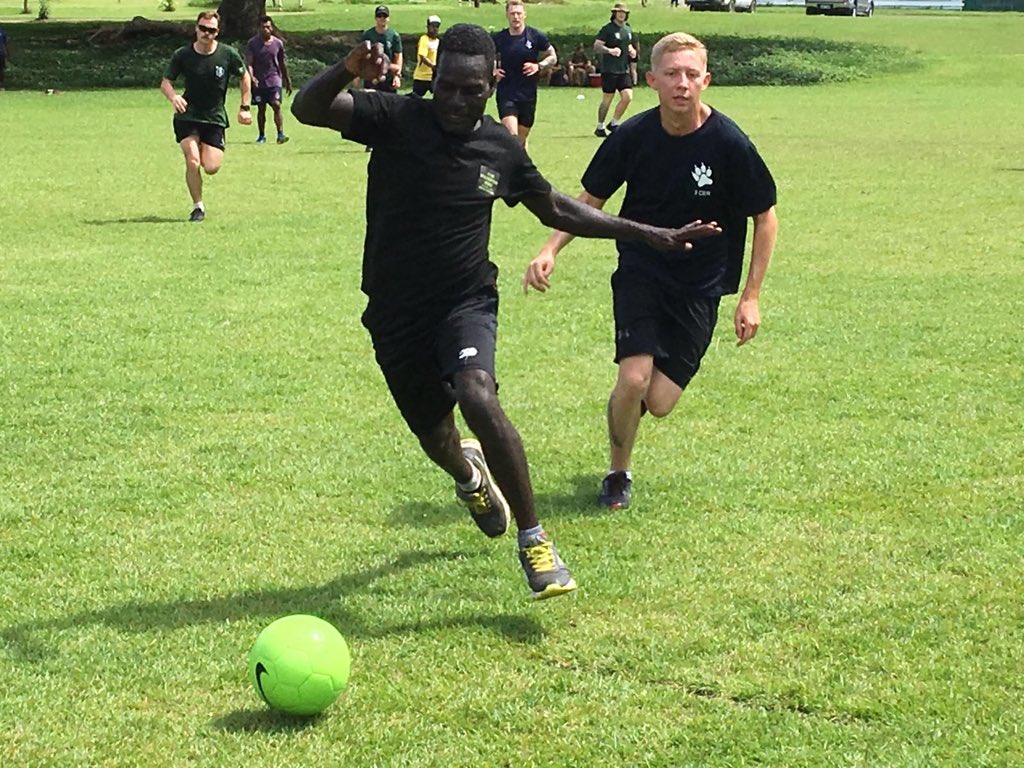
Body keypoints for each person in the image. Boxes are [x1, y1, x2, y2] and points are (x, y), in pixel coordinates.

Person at [290, 25, 719, 599]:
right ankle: (469, 476)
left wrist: (647, 233)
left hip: (464, 301)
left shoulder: (500, 148)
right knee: (438, 437)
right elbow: (307, 109)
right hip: (394, 312)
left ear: (491, 86)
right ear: (434, 78)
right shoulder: (395, 118)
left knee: (477, 393)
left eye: (470, 90)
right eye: (446, 86)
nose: (455, 100)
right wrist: (347, 69)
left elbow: (556, 208)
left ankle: (535, 541)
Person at [524, 32, 778, 511]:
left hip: (701, 284)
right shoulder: (633, 136)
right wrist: (550, 248)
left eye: (691, 74)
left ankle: (625, 407)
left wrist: (750, 297)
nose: (682, 84)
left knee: (658, 402)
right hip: (641, 271)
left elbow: (765, 217)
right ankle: (618, 472)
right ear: (652, 79)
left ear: (706, 80)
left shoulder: (729, 143)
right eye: (672, 74)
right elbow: (590, 200)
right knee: (634, 378)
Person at [160, 12, 252, 223]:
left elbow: (244, 76)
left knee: (211, 167)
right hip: (187, 116)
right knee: (192, 160)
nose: (206, 33)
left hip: (214, 117)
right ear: (196, 28)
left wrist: (245, 106)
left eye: (211, 30)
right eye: (203, 28)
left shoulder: (227, 54)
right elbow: (166, 82)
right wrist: (174, 97)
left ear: (217, 32)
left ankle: (203, 145)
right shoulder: (183, 54)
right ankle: (197, 207)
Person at [492, 1, 556, 149]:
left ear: (524, 15)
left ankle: (520, 161)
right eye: (512, 14)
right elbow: (487, 56)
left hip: (527, 94)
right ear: (507, 15)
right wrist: (493, 70)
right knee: (511, 137)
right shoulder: (499, 38)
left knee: (521, 141)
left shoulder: (535, 36)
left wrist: (538, 66)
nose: (516, 17)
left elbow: (552, 56)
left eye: (518, 13)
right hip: (506, 92)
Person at [246, 15, 293, 144]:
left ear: (272, 28)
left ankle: (280, 134)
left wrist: (287, 80)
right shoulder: (252, 44)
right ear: (259, 28)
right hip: (259, 80)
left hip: (274, 79)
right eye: (263, 27)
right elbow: (249, 63)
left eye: (268, 27)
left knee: (276, 105)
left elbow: (282, 63)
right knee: (261, 108)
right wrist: (252, 77)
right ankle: (262, 135)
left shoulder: (278, 43)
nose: (266, 29)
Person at [593, 3, 636, 138]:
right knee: (607, 99)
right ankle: (600, 126)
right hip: (609, 70)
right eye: (619, 12)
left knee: (628, 96)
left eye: (624, 12)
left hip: (623, 69)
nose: (621, 14)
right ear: (614, 14)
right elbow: (597, 46)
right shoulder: (607, 29)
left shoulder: (627, 29)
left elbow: (627, 44)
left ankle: (614, 122)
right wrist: (610, 50)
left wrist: (631, 50)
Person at [362, 5, 403, 92]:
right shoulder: (368, 35)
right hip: (371, 76)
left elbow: (398, 56)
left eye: (384, 16)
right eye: (379, 16)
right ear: (375, 18)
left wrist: (397, 76)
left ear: (388, 18)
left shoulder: (394, 35)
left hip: (388, 77)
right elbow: (363, 55)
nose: (382, 18)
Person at [412, 15, 441, 97]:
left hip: (434, 77)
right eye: (433, 26)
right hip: (421, 77)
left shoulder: (438, 41)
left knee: (440, 97)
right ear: (428, 27)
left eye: (437, 26)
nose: (435, 29)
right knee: (415, 98)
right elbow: (423, 57)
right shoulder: (424, 39)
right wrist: (433, 67)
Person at [0, 26, 9, 91]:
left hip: (1, 53)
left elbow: (6, 43)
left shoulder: (2, 32)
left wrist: (8, 54)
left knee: (1, 70)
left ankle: (1, 84)